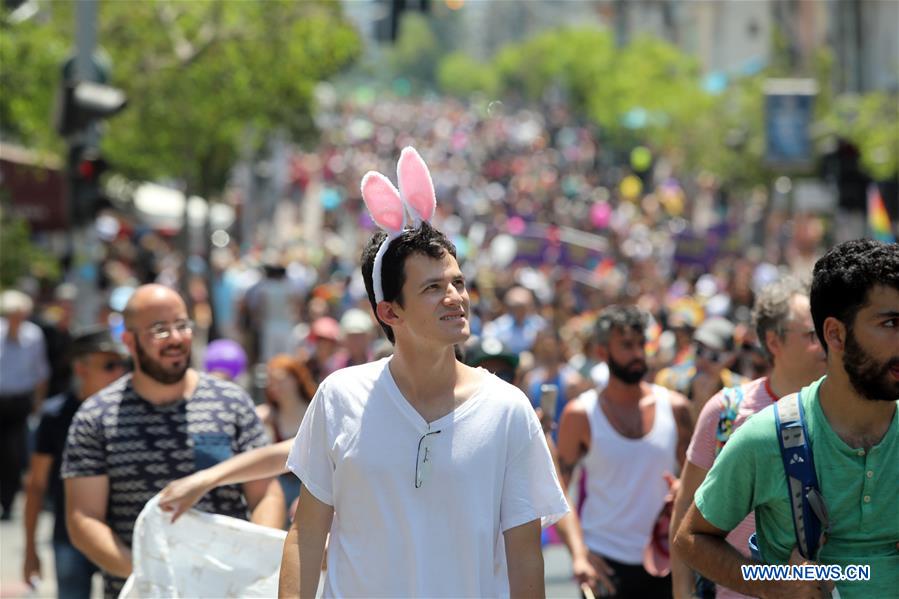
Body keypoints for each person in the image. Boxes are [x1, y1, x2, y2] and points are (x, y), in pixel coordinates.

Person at [279, 147, 568, 598]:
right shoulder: (339, 397)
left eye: (458, 282)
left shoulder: (509, 409)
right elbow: (307, 534)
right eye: (433, 287)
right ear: (389, 312)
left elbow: (526, 557)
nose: (455, 297)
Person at [674, 239, 899, 599]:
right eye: (891, 323)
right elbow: (691, 538)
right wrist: (770, 584)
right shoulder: (767, 437)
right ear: (835, 335)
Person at [62, 284, 285, 598]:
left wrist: (253, 563)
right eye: (160, 329)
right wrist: (148, 576)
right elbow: (84, 517)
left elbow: (266, 493)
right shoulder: (96, 416)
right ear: (129, 341)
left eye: (182, 325)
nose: (176, 338)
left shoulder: (231, 402)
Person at [669, 278, 826, 599]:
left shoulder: (842, 412)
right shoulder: (726, 411)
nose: (825, 342)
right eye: (812, 334)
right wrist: (682, 592)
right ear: (774, 342)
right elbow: (685, 509)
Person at [555, 305, 694, 598]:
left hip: (666, 559)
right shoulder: (580, 414)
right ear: (602, 352)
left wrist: (682, 490)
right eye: (627, 345)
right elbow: (557, 492)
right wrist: (580, 554)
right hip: (605, 564)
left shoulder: (676, 408)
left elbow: (699, 483)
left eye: (642, 344)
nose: (638, 354)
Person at [22, 326, 129, 599]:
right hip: (69, 539)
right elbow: (36, 485)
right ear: (81, 369)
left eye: (122, 365)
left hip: (122, 540)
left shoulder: (131, 413)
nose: (119, 373)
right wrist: (30, 550)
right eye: (109, 366)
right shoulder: (55, 415)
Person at [0, 289, 50, 520]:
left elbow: (41, 372)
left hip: (19, 402)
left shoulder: (33, 336)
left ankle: (8, 501)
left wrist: (37, 404)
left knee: (13, 453)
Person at [257, 354, 317, 517]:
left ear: (296, 379)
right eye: (271, 381)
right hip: (281, 485)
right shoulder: (270, 415)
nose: (275, 386)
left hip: (310, 483)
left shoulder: (315, 410)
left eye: (280, 379)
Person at [656, 316, 747, 417]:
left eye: (714, 356)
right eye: (699, 350)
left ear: (730, 359)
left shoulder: (742, 391)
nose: (704, 360)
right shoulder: (669, 381)